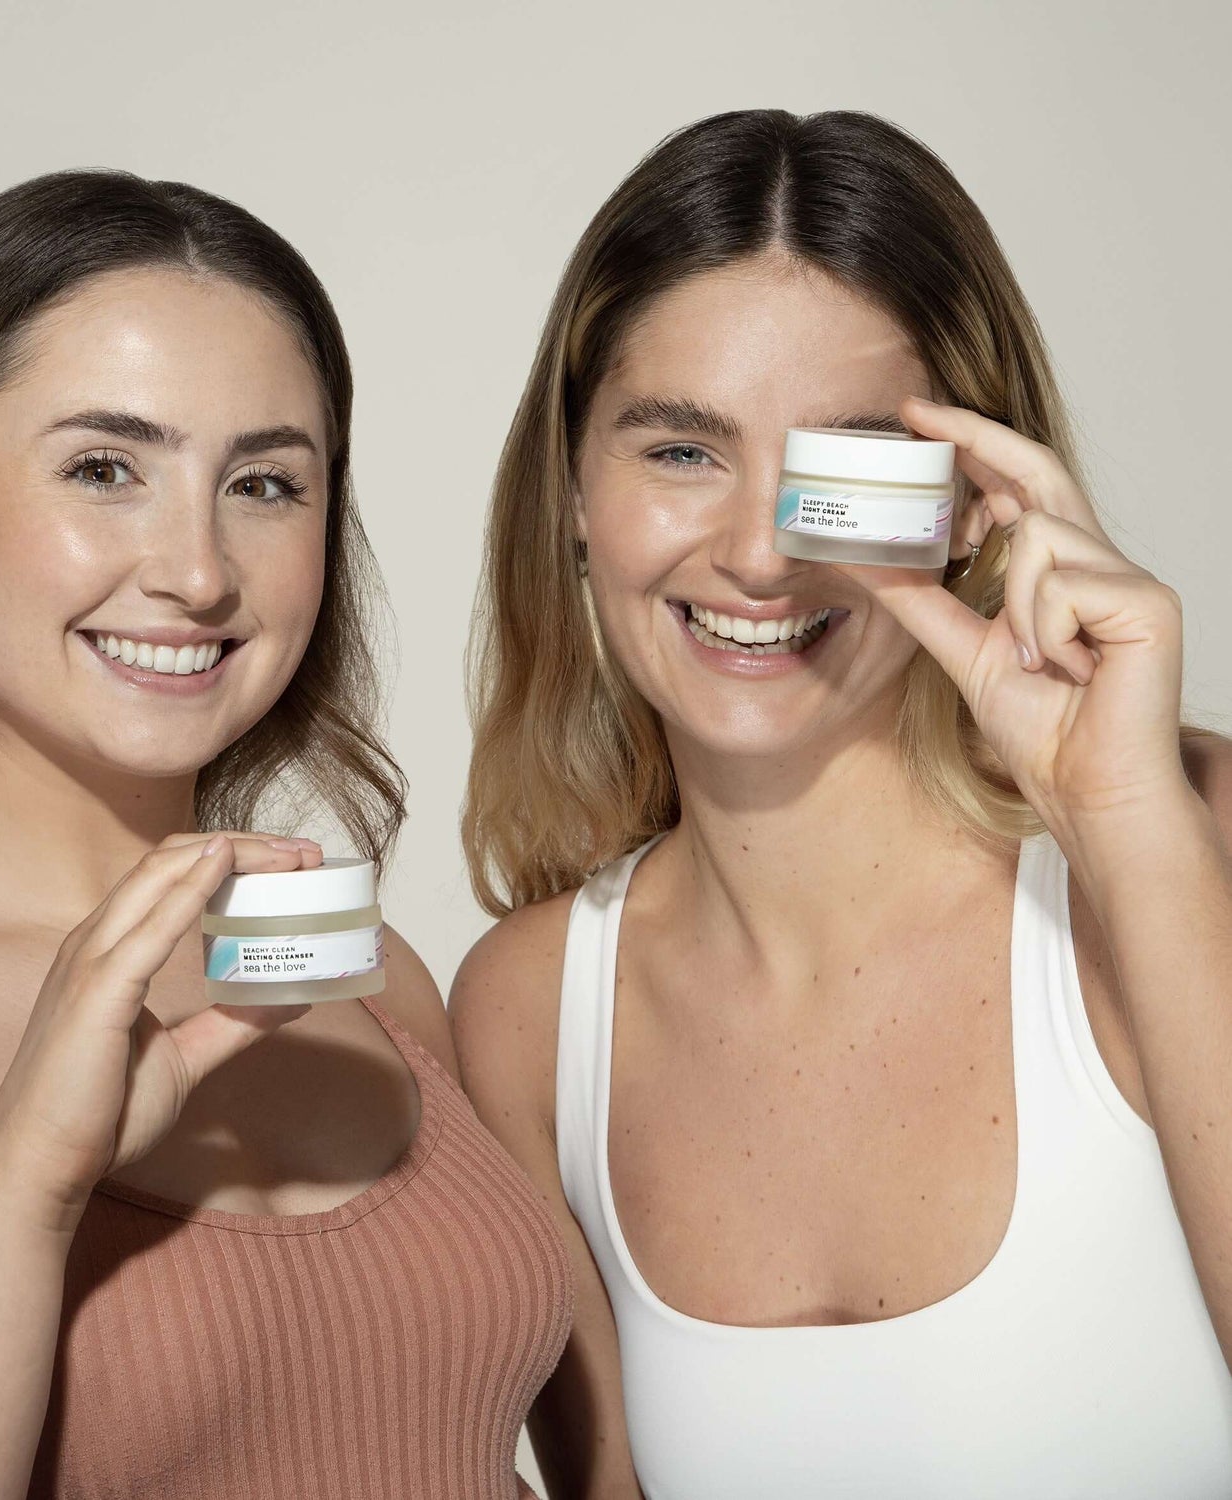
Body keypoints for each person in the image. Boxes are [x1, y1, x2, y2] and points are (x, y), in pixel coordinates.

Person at [0, 170, 570, 1500]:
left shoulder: (374, 980)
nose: (198, 569)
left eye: (266, 483)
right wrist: (22, 1187)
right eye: (105, 469)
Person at [452, 109, 1232, 1499]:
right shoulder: (528, 1014)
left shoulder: (1193, 831)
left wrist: (1135, 839)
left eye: (848, 468)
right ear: (575, 491)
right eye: (681, 451)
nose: (760, 553)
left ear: (975, 500)